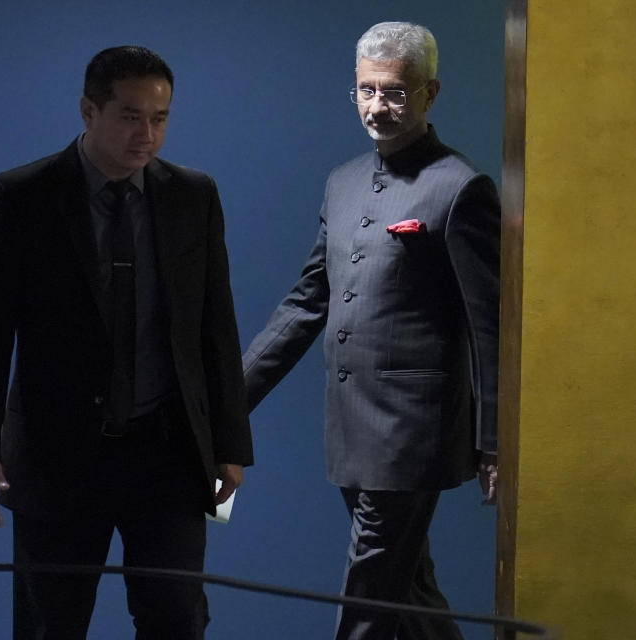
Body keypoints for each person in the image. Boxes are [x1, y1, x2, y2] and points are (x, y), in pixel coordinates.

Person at [0, 46, 253, 639]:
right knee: (50, 625)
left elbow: (215, 322)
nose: (146, 134)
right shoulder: (23, 196)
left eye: (160, 119)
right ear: (88, 110)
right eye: (130, 116)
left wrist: (229, 442)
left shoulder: (194, 195)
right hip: (58, 455)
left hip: (166, 453)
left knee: (177, 620)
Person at [241, 21, 500, 640]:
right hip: (350, 427)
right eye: (367, 91)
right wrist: (226, 401)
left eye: (395, 93)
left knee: (370, 594)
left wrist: (496, 441)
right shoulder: (344, 181)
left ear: (430, 94)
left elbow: (489, 329)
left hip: (414, 433)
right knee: (409, 593)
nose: (378, 107)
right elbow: (309, 302)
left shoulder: (461, 188)